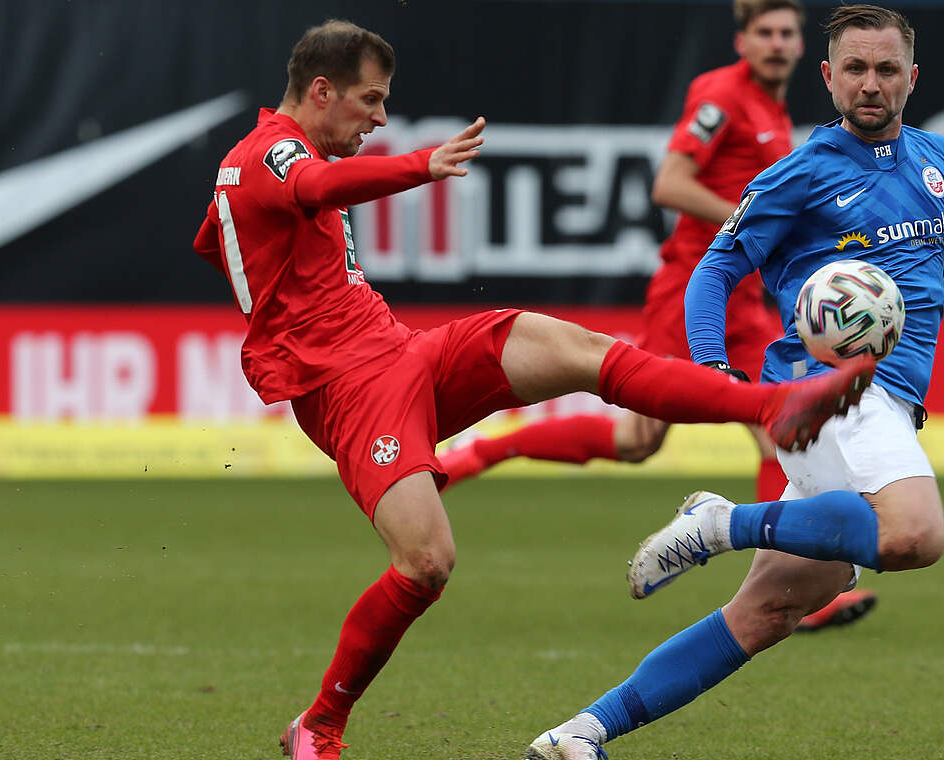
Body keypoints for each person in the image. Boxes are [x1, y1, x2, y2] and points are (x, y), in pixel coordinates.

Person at [191, 19, 876, 760]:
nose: (380, 118)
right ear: (320, 90)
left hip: (401, 353)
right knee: (427, 563)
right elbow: (313, 185)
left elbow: (221, 235)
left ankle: (771, 404)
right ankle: (320, 723)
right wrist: (421, 165)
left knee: (577, 347)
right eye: (370, 100)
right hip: (348, 391)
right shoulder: (274, 151)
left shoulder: (253, 165)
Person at [525, 5, 944, 758]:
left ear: (911, 78)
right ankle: (720, 523)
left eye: (884, 70)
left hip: (882, 409)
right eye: (854, 69)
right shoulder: (799, 173)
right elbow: (715, 270)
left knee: (762, 616)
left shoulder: (942, 163)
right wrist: (717, 374)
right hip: (833, 395)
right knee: (915, 534)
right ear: (828, 77)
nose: (869, 85)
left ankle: (577, 735)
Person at [434, 0, 878, 632]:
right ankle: (487, 452)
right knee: (640, 440)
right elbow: (669, 183)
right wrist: (748, 221)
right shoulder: (721, 94)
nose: (778, 44)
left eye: (788, 33)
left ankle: (792, 588)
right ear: (743, 40)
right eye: (766, 33)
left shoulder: (774, 111)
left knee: (776, 434)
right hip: (694, 290)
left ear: (804, 47)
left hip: (746, 302)